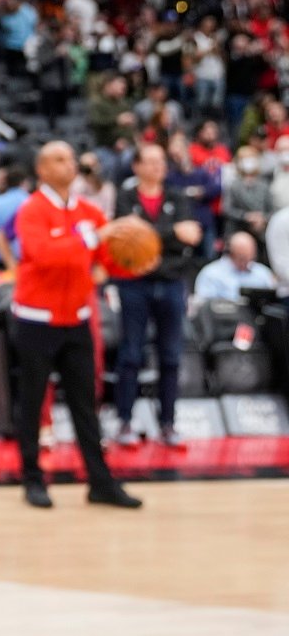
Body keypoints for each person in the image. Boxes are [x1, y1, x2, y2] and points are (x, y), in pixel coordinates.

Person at [10, 141, 142, 509]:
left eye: (70, 158)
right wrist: (90, 238)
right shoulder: (31, 211)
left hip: (78, 320)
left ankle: (100, 483)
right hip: (36, 320)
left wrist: (135, 257)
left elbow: (109, 258)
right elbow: (44, 256)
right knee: (34, 402)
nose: (69, 164)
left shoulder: (90, 211)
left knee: (87, 404)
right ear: (42, 170)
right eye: (59, 159)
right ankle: (33, 479)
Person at [112, 143, 202, 448]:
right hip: (133, 284)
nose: (157, 167)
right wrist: (171, 233)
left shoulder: (177, 196)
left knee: (171, 356)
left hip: (172, 282)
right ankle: (124, 421)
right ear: (136, 166)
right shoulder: (125, 197)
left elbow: (189, 239)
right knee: (131, 354)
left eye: (161, 161)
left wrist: (151, 239)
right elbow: (127, 239)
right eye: (150, 162)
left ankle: (168, 423)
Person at [193, 231, 276, 301]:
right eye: (242, 257)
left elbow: (275, 296)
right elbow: (204, 307)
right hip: (225, 317)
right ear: (231, 253)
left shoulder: (262, 272)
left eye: (251, 257)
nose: (247, 261)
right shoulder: (211, 273)